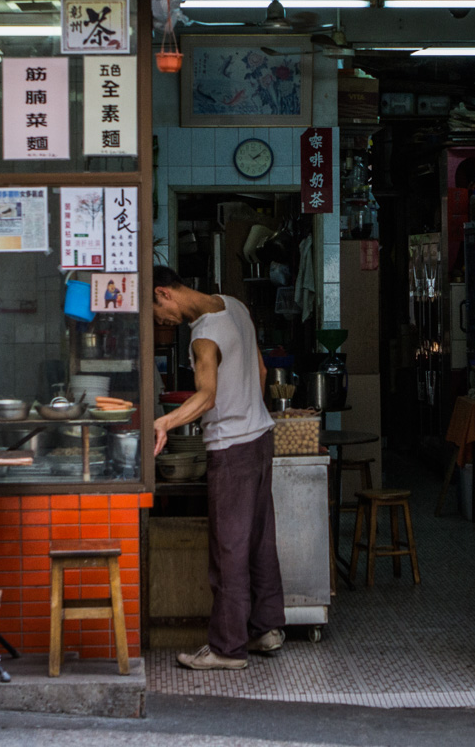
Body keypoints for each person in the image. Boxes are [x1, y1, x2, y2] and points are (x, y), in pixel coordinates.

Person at [152, 266, 285, 670]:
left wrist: (164, 423)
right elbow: (260, 372)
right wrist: (247, 412)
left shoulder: (202, 335)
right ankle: (266, 628)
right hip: (260, 438)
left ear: (164, 293)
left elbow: (206, 396)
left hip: (231, 450)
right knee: (260, 541)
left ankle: (227, 648)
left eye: (157, 313)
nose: (161, 322)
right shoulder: (235, 306)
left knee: (229, 550)